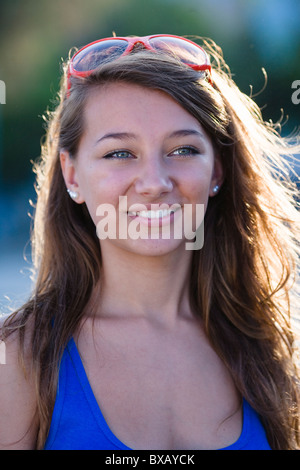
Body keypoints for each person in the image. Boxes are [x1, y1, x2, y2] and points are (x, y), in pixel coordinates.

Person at [0, 34, 299, 450]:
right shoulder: (16, 359)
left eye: (183, 149)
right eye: (119, 153)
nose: (156, 184)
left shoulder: (271, 349)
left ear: (217, 170)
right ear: (72, 175)